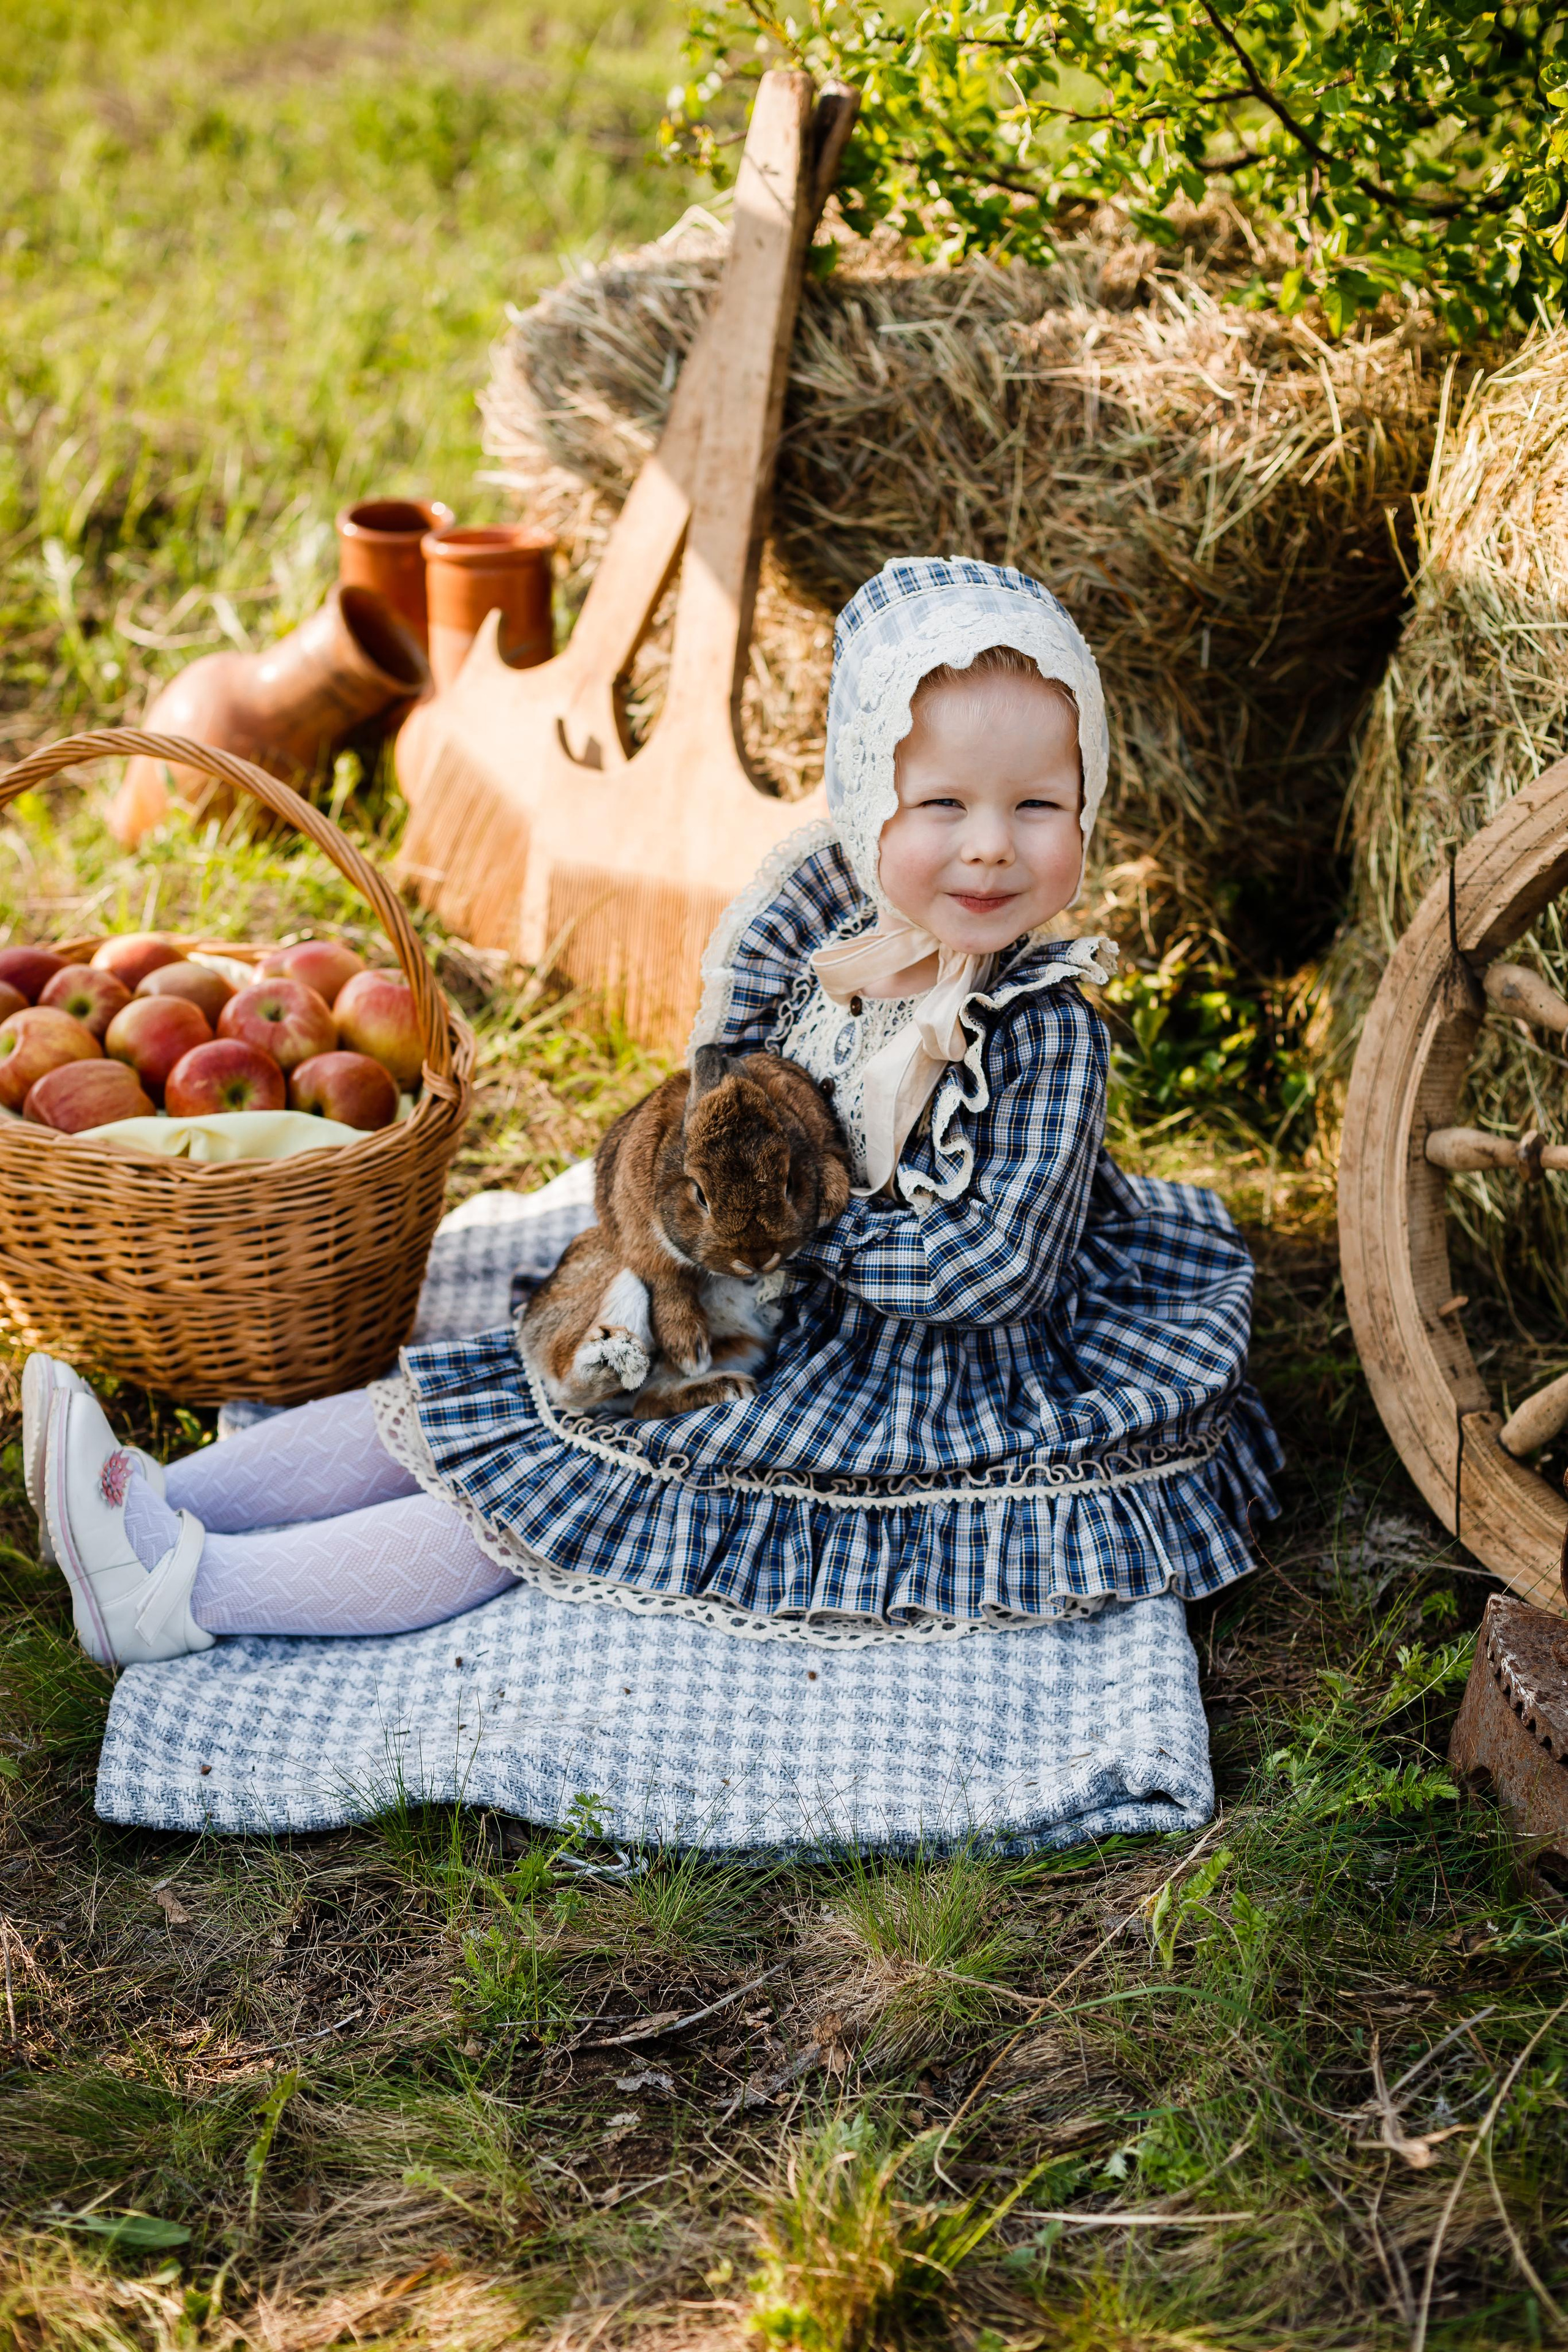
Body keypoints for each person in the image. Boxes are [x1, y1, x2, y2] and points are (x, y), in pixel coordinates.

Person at [26, 558, 1280, 1667]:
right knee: (481, 1392)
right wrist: (701, 1187)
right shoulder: (830, 925)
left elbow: (996, 1266)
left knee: (554, 1484)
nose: (991, 849)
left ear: (1087, 799)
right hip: (750, 1279)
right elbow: (729, 1058)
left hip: (918, 1353)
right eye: (941, 805)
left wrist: (794, 1234)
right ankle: (147, 1498)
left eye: (1037, 807)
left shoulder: (1045, 1028)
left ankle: (187, 1592)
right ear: (862, 800)